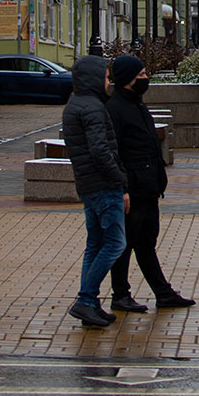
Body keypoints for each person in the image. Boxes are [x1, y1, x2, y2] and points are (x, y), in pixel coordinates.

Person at [106, 56, 194, 312]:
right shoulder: (115, 109)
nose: (145, 78)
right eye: (141, 74)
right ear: (127, 79)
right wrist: (122, 189)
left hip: (148, 186)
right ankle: (120, 295)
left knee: (145, 242)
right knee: (125, 244)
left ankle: (163, 293)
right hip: (133, 188)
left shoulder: (137, 104)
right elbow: (114, 152)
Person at [62, 55, 128, 328]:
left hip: (87, 184)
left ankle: (90, 303)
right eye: (105, 76)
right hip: (103, 185)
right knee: (115, 243)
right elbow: (101, 151)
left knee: (95, 244)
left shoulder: (74, 104)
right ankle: (86, 300)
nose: (109, 81)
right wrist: (120, 180)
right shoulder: (93, 108)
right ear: (93, 77)